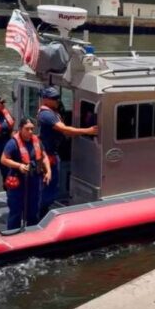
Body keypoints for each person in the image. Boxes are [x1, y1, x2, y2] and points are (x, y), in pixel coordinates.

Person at [37, 86, 97, 216]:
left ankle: (44, 208)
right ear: (46, 100)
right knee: (48, 186)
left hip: (54, 152)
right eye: (54, 98)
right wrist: (88, 131)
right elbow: (65, 130)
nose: (57, 100)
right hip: (48, 154)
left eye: (58, 98)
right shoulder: (46, 115)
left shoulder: (53, 111)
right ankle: (41, 213)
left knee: (53, 185)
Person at [1, 117, 51, 230]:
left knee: (33, 210)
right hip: (18, 182)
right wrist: (19, 165)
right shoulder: (12, 143)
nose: (30, 132)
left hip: (34, 180)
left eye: (32, 129)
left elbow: (44, 157)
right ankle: (12, 235)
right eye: (27, 129)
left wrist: (48, 171)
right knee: (16, 212)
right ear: (20, 129)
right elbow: (3, 159)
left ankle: (31, 234)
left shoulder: (37, 141)